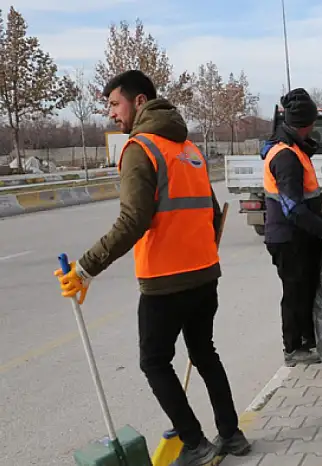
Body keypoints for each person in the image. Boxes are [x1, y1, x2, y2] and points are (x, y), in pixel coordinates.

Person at [53, 70, 249, 466]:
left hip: (165, 282)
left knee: (154, 361)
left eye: (113, 103)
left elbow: (133, 220)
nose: (110, 113)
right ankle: (232, 435)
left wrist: (85, 269)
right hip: (205, 276)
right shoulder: (189, 149)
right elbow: (211, 214)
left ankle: (195, 444)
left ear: (139, 102)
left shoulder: (139, 148)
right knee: (204, 352)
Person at [261, 88, 322, 367]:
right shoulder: (285, 157)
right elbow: (293, 208)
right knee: (295, 292)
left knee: (306, 289)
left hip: (300, 236)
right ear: (306, 123)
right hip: (288, 238)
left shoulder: (294, 149)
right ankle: (293, 348)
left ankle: (308, 340)